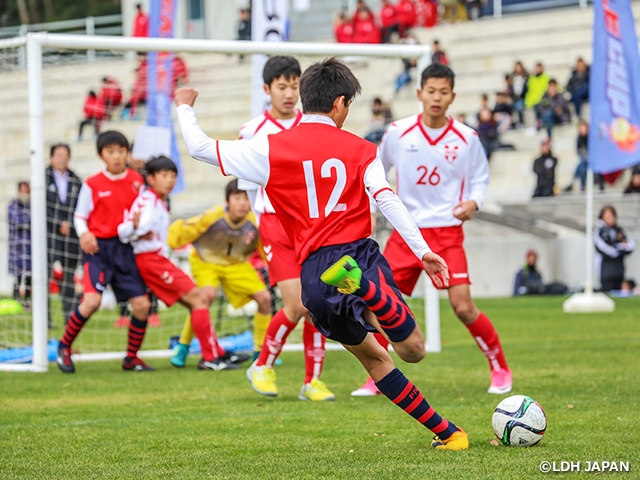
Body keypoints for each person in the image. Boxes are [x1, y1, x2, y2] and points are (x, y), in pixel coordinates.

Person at [175, 57, 469, 450]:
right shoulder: (362, 148)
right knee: (412, 349)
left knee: (376, 361)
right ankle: (372, 293)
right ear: (340, 104)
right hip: (357, 256)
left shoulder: (270, 148)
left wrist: (184, 104)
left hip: (315, 274)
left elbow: (197, 147)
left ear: (303, 99)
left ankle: (449, 434)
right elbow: (386, 198)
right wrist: (423, 251)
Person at [370, 62, 512, 398]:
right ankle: (375, 375)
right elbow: (376, 171)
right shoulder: (397, 133)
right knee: (383, 304)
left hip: (447, 233)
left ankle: (500, 368)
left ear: (452, 97)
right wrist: (375, 210)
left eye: (443, 92)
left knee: (463, 306)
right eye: (430, 91)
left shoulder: (467, 138)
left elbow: (480, 178)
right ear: (419, 93)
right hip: (406, 232)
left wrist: (474, 202)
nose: (436, 97)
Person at [234, 56, 336, 401]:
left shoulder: (313, 126)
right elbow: (247, 186)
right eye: (282, 86)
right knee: (297, 302)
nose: (290, 93)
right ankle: (263, 365)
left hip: (310, 224)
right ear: (267, 90)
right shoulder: (252, 131)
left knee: (318, 301)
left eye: (295, 85)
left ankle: (313, 381)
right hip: (275, 223)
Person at [118, 156, 248, 370]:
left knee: (196, 302)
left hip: (158, 259)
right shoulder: (147, 200)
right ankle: (210, 357)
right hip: (151, 260)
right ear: (150, 178)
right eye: (164, 175)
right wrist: (139, 229)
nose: (169, 180)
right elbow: (129, 228)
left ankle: (216, 352)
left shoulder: (157, 200)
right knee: (198, 299)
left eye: (172, 176)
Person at [57, 131, 152, 374]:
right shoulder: (92, 184)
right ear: (101, 155)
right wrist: (84, 233)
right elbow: (80, 216)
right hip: (98, 250)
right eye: (111, 151)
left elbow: (142, 215)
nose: (117, 156)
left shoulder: (137, 181)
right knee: (91, 301)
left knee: (142, 305)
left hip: (125, 249)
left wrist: (142, 228)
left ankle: (131, 358)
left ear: (127, 153)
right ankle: (64, 347)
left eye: (121, 150)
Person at [167, 180, 272, 371]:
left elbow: (265, 246)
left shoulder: (254, 222)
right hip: (205, 262)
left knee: (265, 298)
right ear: (227, 201)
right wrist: (168, 243)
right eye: (237, 198)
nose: (242, 203)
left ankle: (260, 351)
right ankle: (183, 346)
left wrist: (273, 267)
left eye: (246, 198)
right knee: (204, 298)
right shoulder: (213, 216)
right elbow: (187, 229)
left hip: (236, 264)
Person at [46, 143, 82, 325]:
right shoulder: (42, 179)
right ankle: (45, 319)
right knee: (45, 276)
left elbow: (80, 205)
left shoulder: (76, 180)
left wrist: (69, 222)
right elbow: (41, 206)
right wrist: (58, 223)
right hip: (49, 235)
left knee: (69, 277)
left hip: (70, 237)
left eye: (65, 155)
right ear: (51, 157)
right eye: (58, 154)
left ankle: (69, 314)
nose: (62, 158)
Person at [594, 206, 635, 292]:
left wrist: (617, 247)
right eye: (607, 217)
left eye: (611, 216)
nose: (610, 219)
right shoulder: (599, 232)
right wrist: (619, 247)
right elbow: (606, 250)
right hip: (606, 271)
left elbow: (629, 246)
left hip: (619, 270)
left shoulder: (619, 230)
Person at [8, 182, 31, 307]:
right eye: (23, 191)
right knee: (17, 275)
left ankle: (27, 300)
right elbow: (18, 220)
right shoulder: (13, 205)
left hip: (29, 246)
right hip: (17, 246)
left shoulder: (32, 205)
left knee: (29, 275)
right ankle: (15, 299)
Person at [564, 120, 589, 193]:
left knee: (582, 163)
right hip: (584, 158)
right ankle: (582, 186)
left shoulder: (590, 138)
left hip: (589, 158)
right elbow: (578, 151)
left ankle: (572, 182)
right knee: (582, 165)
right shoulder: (579, 138)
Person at [510, 62, 528, 127]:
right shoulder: (512, 77)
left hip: (522, 97)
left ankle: (521, 122)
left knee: (519, 106)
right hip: (514, 97)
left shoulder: (525, 77)